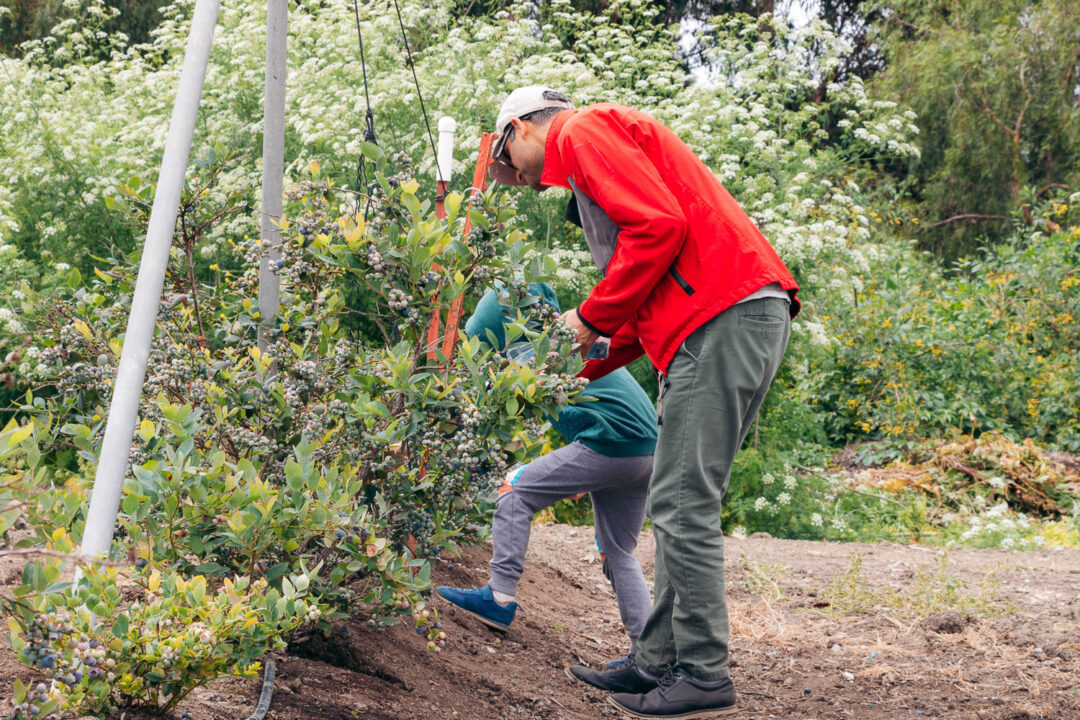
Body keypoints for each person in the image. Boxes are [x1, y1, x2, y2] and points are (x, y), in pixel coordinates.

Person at [488, 86, 800, 718]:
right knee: (677, 499)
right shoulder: (595, 147)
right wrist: (576, 367)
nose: (520, 181)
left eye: (508, 161)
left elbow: (658, 227)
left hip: (722, 318)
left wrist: (588, 314)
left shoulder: (580, 131)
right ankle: (655, 661)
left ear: (521, 127)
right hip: (718, 318)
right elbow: (641, 302)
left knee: (684, 503)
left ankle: (704, 675)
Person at [435, 282, 657, 666]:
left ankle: (498, 598)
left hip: (610, 443)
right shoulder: (568, 342)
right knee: (618, 551)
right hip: (646, 454)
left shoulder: (537, 355)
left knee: (515, 489)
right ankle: (650, 653)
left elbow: (497, 413)